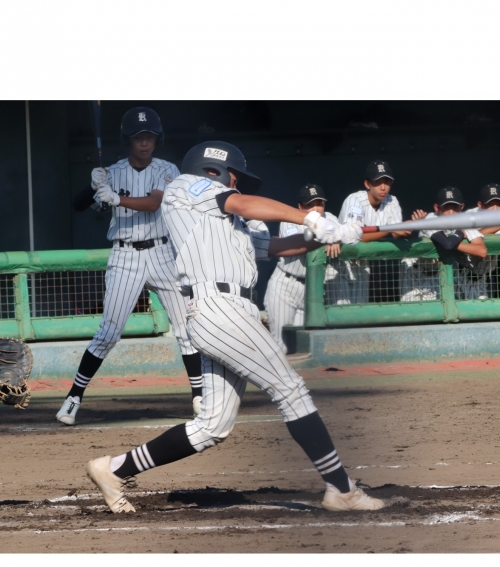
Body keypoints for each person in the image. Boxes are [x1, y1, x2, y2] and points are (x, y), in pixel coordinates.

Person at [85, 141, 384, 514]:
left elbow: (275, 246)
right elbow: (241, 203)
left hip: (226, 312)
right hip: (219, 308)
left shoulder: (223, 223)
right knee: (290, 390)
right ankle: (341, 489)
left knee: (212, 425)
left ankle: (113, 469)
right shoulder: (188, 187)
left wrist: (325, 235)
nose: (236, 184)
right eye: (234, 176)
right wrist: (310, 218)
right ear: (213, 170)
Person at [56, 107, 204, 425]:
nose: (145, 143)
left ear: (157, 139)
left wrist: (116, 199)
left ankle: (200, 398)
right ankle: (73, 398)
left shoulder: (167, 169)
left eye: (149, 136)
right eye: (138, 138)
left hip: (163, 254)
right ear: (128, 141)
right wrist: (92, 186)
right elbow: (78, 205)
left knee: (187, 330)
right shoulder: (112, 173)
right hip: (125, 257)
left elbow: (154, 202)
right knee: (108, 333)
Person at [263, 183, 339, 353]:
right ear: (300, 206)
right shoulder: (289, 219)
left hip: (312, 290)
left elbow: (341, 232)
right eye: (310, 205)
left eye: (319, 203)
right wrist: (329, 237)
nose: (316, 209)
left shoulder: (330, 217)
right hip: (285, 286)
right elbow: (300, 242)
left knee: (302, 347)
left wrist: (336, 238)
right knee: (280, 345)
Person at [333, 160, 406, 304]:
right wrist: (390, 229)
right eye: (377, 182)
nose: (383, 187)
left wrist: (407, 228)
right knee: (340, 313)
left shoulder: (392, 201)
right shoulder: (355, 200)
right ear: (367, 184)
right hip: (340, 264)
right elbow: (353, 238)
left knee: (359, 313)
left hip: (362, 265)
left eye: (387, 182)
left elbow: (397, 233)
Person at [400, 187, 488, 301]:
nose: (451, 213)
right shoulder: (430, 219)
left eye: (455, 208)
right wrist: (460, 234)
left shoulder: (464, 221)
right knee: (413, 311)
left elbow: (482, 251)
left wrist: (455, 240)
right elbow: (447, 244)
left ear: (461, 207)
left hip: (436, 276)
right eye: (446, 208)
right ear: (437, 208)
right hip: (416, 275)